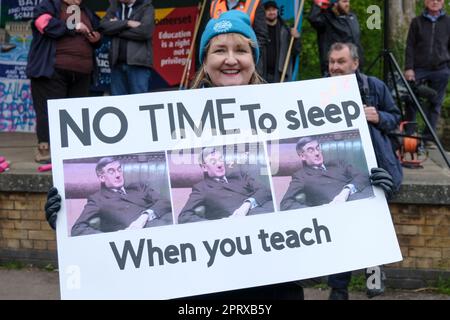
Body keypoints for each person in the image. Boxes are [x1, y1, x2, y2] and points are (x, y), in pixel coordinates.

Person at [326, 42, 403, 300]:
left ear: (355, 63)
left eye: (341, 62)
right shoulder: (318, 90)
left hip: (375, 168)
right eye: (332, 62)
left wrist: (378, 116)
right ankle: (339, 289)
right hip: (341, 171)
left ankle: (373, 280)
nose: (335, 67)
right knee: (340, 231)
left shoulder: (374, 87)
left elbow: (395, 118)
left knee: (373, 228)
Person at [26, 0, 101, 164]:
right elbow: (44, 24)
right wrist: (73, 27)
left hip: (81, 73)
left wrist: (96, 37)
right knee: (49, 110)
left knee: (75, 114)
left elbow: (98, 28)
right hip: (52, 71)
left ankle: (73, 151)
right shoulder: (48, 5)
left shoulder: (86, 10)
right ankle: (45, 148)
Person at [50, 157, 173, 236]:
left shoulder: (138, 187)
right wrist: (110, 238)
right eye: (111, 171)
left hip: (165, 226)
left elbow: (165, 202)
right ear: (102, 177)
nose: (118, 175)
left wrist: (144, 216)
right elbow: (77, 229)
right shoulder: (97, 199)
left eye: (119, 170)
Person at [178, 147, 274, 224]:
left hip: (267, 211)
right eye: (213, 162)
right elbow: (184, 216)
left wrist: (247, 205)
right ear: (204, 167)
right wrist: (216, 225)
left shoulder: (239, 174)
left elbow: (265, 190)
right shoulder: (201, 188)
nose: (220, 164)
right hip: (243, 224)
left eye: (220, 159)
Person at [280, 137, 374, 211]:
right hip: (346, 210)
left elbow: (362, 175)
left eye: (317, 148)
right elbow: (285, 203)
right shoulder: (301, 176)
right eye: (310, 150)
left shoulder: (338, 163)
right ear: (302, 156)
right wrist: (316, 212)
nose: (317, 153)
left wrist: (347, 190)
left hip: (369, 196)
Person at [404, 0, 450, 148]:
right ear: (425, 2)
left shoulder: (448, 22)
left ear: (443, 2)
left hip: (441, 69)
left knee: (435, 104)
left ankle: (428, 138)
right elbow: (410, 45)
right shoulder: (416, 22)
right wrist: (409, 68)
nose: (434, 2)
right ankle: (409, 135)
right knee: (411, 100)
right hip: (419, 69)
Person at [99, 0, 154, 95]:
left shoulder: (146, 7)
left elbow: (145, 32)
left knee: (139, 103)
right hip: (117, 64)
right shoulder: (114, 7)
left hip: (138, 64)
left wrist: (116, 29)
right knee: (119, 104)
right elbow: (103, 26)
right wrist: (127, 23)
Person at [209, 0, 269, 74]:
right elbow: (209, 35)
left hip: (247, 63)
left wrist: (249, 54)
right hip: (220, 61)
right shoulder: (215, 3)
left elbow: (262, 35)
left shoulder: (254, 3)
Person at [308, 0, 363, 76]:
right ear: (335, 3)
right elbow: (314, 19)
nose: (347, 4)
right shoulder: (326, 19)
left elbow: (357, 43)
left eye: (348, 2)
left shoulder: (352, 17)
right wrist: (318, 5)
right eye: (344, 2)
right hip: (334, 70)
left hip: (354, 69)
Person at [262, 0, 301, 83]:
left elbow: (296, 51)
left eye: (273, 9)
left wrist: (296, 39)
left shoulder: (286, 30)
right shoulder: (259, 30)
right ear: (264, 12)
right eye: (268, 10)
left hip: (281, 76)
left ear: (277, 11)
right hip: (261, 75)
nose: (271, 12)